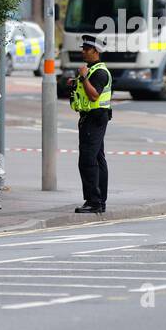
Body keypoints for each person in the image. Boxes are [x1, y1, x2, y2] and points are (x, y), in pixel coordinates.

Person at [70, 34, 112, 214]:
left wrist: (84, 78)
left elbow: (94, 95)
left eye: (86, 49)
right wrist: (77, 82)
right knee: (98, 159)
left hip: (94, 119)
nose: (83, 52)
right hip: (93, 118)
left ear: (96, 51)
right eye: (83, 49)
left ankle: (94, 201)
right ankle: (99, 200)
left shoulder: (100, 72)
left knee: (87, 160)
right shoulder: (93, 70)